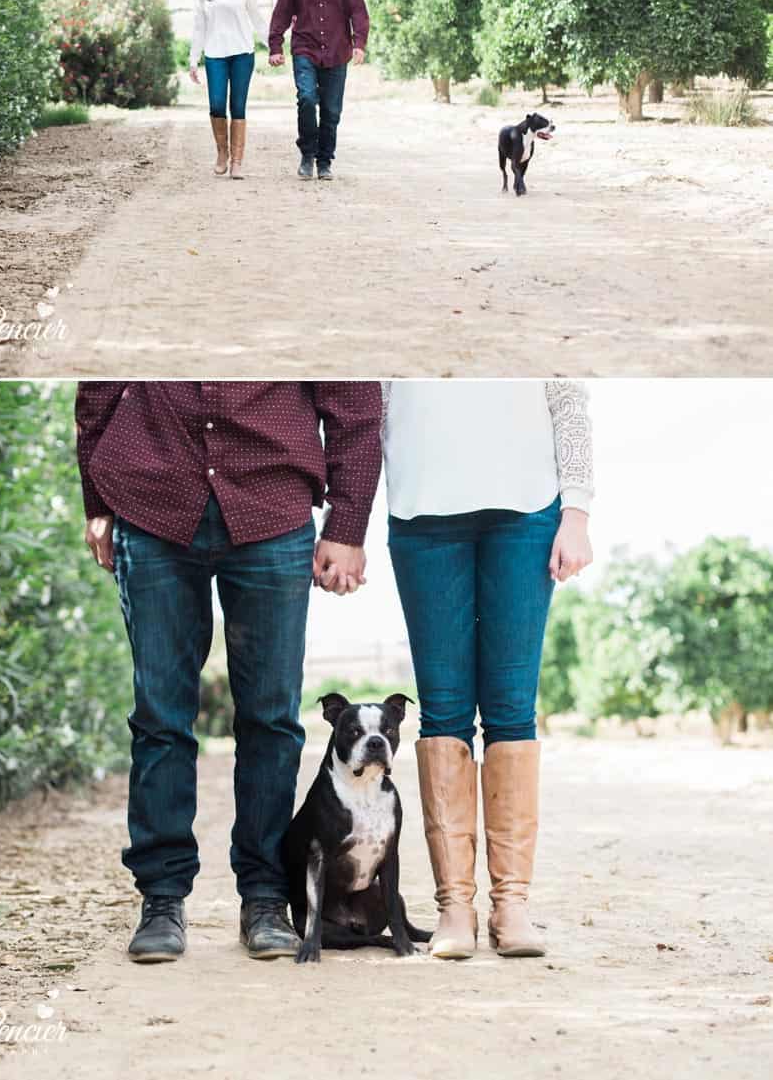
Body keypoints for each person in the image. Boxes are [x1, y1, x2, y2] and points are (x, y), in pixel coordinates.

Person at [75, 381, 382, 963]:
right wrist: (96, 499)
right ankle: (161, 900)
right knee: (160, 717)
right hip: (151, 499)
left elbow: (355, 401)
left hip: (271, 503)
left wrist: (348, 523)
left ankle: (264, 899)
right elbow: (97, 384)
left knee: (270, 719)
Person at [382, 380, 594, 961]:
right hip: (421, 511)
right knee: (444, 708)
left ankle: (511, 903)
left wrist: (575, 512)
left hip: (526, 510)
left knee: (510, 709)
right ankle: (455, 905)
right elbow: (368, 399)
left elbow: (567, 396)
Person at [268, 0, 369, 181]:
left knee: (331, 109)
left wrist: (359, 43)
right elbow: (280, 15)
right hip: (305, 49)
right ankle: (306, 156)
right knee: (307, 98)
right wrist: (275, 46)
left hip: (337, 51)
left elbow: (358, 11)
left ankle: (324, 162)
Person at [189, 0, 268, 179]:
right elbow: (198, 28)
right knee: (216, 104)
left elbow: (257, 19)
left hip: (242, 53)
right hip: (215, 55)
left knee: (238, 106)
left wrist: (273, 45)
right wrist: (193, 59)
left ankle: (237, 162)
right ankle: (222, 153)